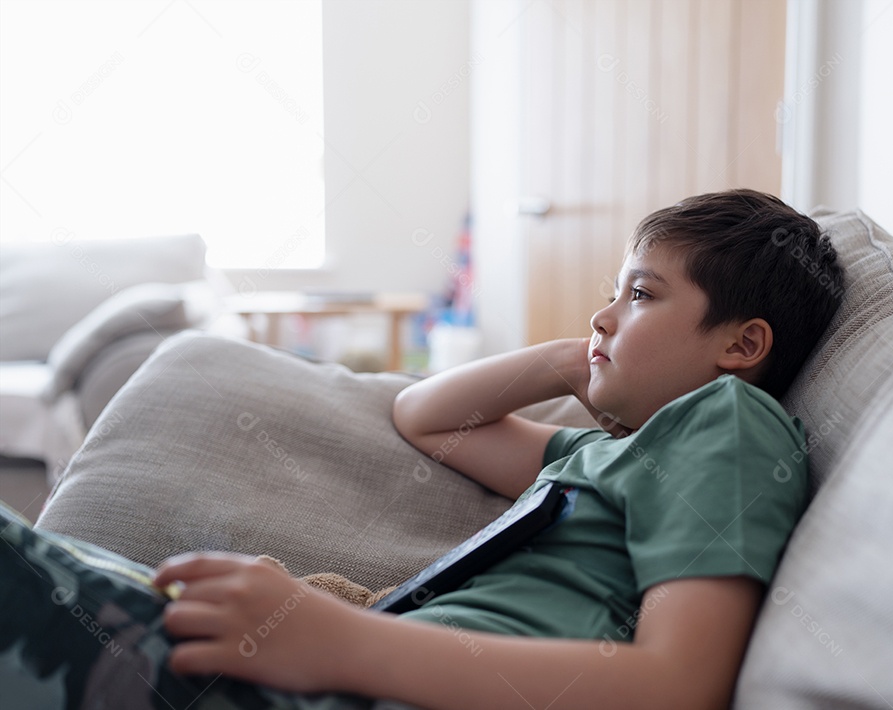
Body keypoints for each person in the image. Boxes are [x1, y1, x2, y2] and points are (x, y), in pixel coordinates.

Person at [1, 189, 843, 709]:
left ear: (741, 347)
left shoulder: (726, 423)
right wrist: (565, 360)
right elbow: (429, 418)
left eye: (641, 294)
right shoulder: (611, 456)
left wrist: (340, 644)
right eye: (611, 294)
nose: (603, 315)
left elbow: (677, 688)